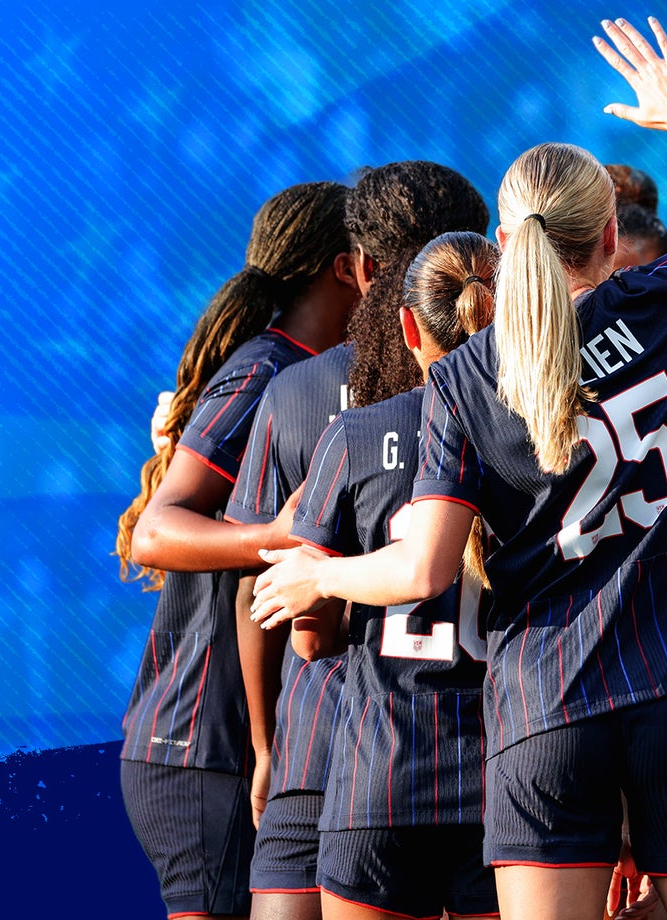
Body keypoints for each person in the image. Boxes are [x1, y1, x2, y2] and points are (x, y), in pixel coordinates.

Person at [252, 18, 667, 920]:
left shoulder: (466, 374)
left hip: (546, 703)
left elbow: (422, 569)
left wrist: (321, 574)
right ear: (612, 237)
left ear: (504, 244)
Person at [237, 162, 490, 920]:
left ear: (366, 270)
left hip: (360, 753)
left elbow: (299, 623)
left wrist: (263, 744)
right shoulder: (543, 426)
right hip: (508, 752)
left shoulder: (319, 405)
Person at [118, 181, 361, 920]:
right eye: (374, 253)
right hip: (200, 745)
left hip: (237, 743)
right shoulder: (267, 369)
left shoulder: (322, 372)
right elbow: (155, 529)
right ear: (346, 267)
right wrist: (274, 536)